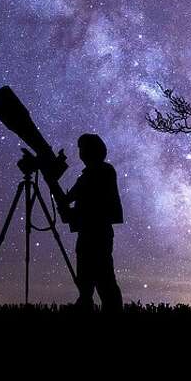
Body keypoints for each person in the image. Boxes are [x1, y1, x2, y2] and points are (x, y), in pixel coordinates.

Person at [61, 133, 123, 312]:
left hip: (96, 232)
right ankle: (86, 304)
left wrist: (68, 207)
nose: (80, 153)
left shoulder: (100, 171)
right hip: (91, 232)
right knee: (88, 279)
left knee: (104, 279)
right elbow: (73, 197)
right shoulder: (94, 172)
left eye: (83, 149)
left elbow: (78, 197)